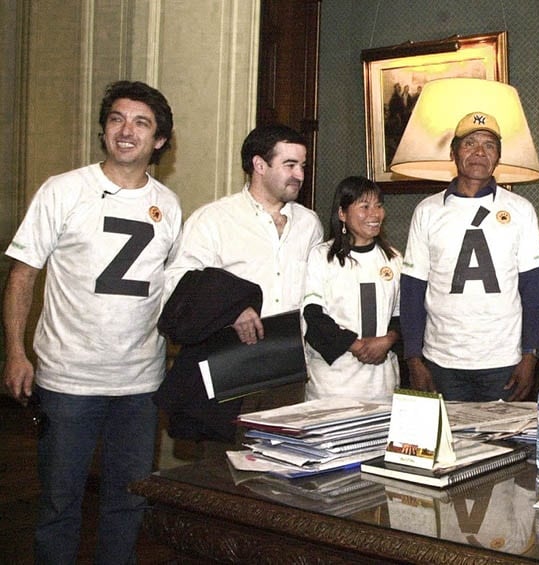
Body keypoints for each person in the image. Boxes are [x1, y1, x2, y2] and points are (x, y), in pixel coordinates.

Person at [2, 80, 181, 563]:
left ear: (159, 140)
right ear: (104, 130)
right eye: (117, 119)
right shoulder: (63, 191)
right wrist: (17, 353)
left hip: (140, 385)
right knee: (60, 504)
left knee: (128, 501)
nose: (127, 131)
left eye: (141, 123)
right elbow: (22, 276)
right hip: (67, 381)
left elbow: (171, 290)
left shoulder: (170, 205)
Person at [155, 124, 323, 442]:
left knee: (282, 474)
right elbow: (176, 286)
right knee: (223, 475)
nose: (299, 174)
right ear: (259, 165)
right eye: (290, 165)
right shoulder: (214, 220)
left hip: (287, 373)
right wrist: (231, 309)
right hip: (230, 369)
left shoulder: (309, 224)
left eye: (302, 165)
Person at [400, 111, 539, 402]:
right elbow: (413, 289)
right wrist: (413, 358)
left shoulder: (520, 210)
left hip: (503, 360)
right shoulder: (427, 211)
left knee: (504, 444)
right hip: (442, 360)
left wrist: (531, 354)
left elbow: (533, 288)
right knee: (446, 444)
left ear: (499, 157)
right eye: (470, 144)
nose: (479, 152)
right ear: (453, 153)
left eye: (489, 145)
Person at [302, 176, 401, 403]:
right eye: (364, 207)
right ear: (342, 214)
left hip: (380, 385)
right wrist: (356, 345)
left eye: (378, 206)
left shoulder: (393, 259)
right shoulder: (321, 257)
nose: (374, 214)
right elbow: (313, 315)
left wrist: (388, 340)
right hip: (332, 385)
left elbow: (401, 315)